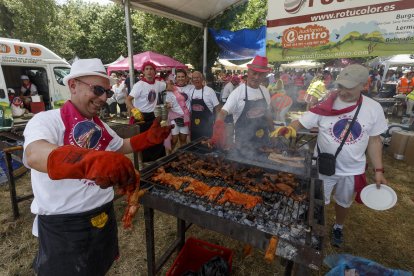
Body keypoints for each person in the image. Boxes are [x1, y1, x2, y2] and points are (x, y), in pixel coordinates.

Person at [23, 58, 172, 276]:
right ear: (73, 85)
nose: (103, 98)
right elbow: (34, 155)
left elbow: (121, 145)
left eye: (108, 93)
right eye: (98, 89)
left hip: (103, 217)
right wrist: (92, 160)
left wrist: (148, 138)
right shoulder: (47, 120)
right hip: (65, 227)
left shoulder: (98, 126)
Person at [271, 64, 388, 248]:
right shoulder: (327, 104)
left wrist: (379, 170)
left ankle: (338, 227)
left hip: (352, 169)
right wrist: (289, 128)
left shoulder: (373, 109)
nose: (342, 91)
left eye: (348, 88)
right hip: (323, 165)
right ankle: (315, 228)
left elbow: (374, 141)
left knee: (343, 202)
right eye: (340, 86)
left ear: (363, 85)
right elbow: (302, 121)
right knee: (317, 201)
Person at [210, 55, 273, 150]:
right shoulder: (238, 93)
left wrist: (273, 132)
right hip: (242, 144)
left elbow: (267, 113)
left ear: (265, 76)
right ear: (248, 72)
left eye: (260, 75)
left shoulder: (264, 91)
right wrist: (218, 130)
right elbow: (223, 112)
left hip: (263, 141)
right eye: (254, 73)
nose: (256, 77)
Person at [126, 61, 172, 162]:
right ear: (143, 71)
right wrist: (134, 110)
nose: (149, 71)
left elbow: (169, 87)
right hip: (140, 117)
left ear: (155, 72)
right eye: (146, 69)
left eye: (151, 69)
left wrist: (171, 97)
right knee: (141, 142)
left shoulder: (158, 84)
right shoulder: (139, 85)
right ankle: (141, 163)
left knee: (157, 140)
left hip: (152, 116)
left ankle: (157, 162)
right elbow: (128, 99)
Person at [165, 69, 193, 151]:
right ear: (176, 78)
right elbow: (167, 103)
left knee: (183, 140)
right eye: (179, 77)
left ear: (186, 78)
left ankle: (182, 156)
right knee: (174, 140)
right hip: (174, 117)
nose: (181, 78)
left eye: (183, 77)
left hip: (185, 118)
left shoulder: (191, 88)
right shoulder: (171, 89)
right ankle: (169, 158)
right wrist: (168, 105)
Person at [189, 71, 220, 140]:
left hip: (207, 126)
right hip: (194, 127)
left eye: (198, 78)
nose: (196, 80)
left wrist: (217, 123)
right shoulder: (191, 91)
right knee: (194, 146)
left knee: (206, 147)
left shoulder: (209, 91)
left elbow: (217, 108)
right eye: (194, 78)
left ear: (202, 79)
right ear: (192, 80)